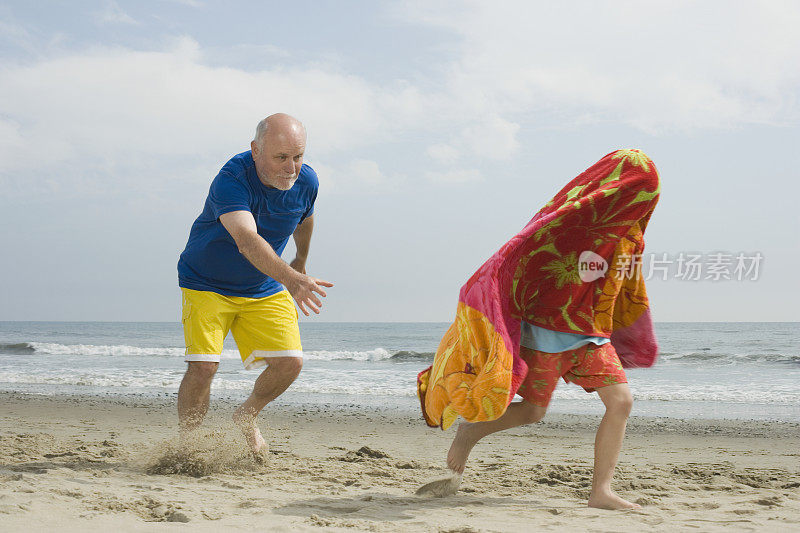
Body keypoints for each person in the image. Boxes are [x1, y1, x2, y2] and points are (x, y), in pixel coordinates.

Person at [417, 149, 660, 510]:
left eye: (647, 196)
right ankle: (470, 432)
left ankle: (601, 492)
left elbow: (623, 283)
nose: (639, 203)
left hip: (592, 335)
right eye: (635, 192)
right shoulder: (571, 220)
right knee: (532, 412)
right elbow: (527, 256)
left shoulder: (631, 236)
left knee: (621, 402)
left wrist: (626, 330)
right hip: (547, 332)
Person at [176, 113, 332, 458]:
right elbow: (247, 240)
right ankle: (186, 443)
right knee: (204, 366)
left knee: (290, 362)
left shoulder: (307, 181)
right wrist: (292, 278)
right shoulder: (232, 179)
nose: (291, 167)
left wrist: (301, 260)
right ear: (256, 150)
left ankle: (246, 415)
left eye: (298, 156)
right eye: (280, 158)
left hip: (262, 284)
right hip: (206, 283)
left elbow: (304, 217)